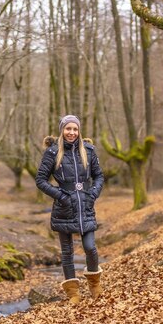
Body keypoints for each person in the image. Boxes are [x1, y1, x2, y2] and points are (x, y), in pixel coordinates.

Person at [35, 115, 105, 304]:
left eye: (75, 129)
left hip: (85, 204)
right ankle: (73, 293)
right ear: (62, 130)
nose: (72, 132)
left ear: (79, 130)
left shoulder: (89, 150)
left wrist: (93, 194)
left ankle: (94, 284)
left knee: (90, 248)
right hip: (64, 207)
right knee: (67, 252)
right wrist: (61, 196)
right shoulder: (52, 152)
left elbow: (99, 176)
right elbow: (40, 180)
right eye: (68, 129)